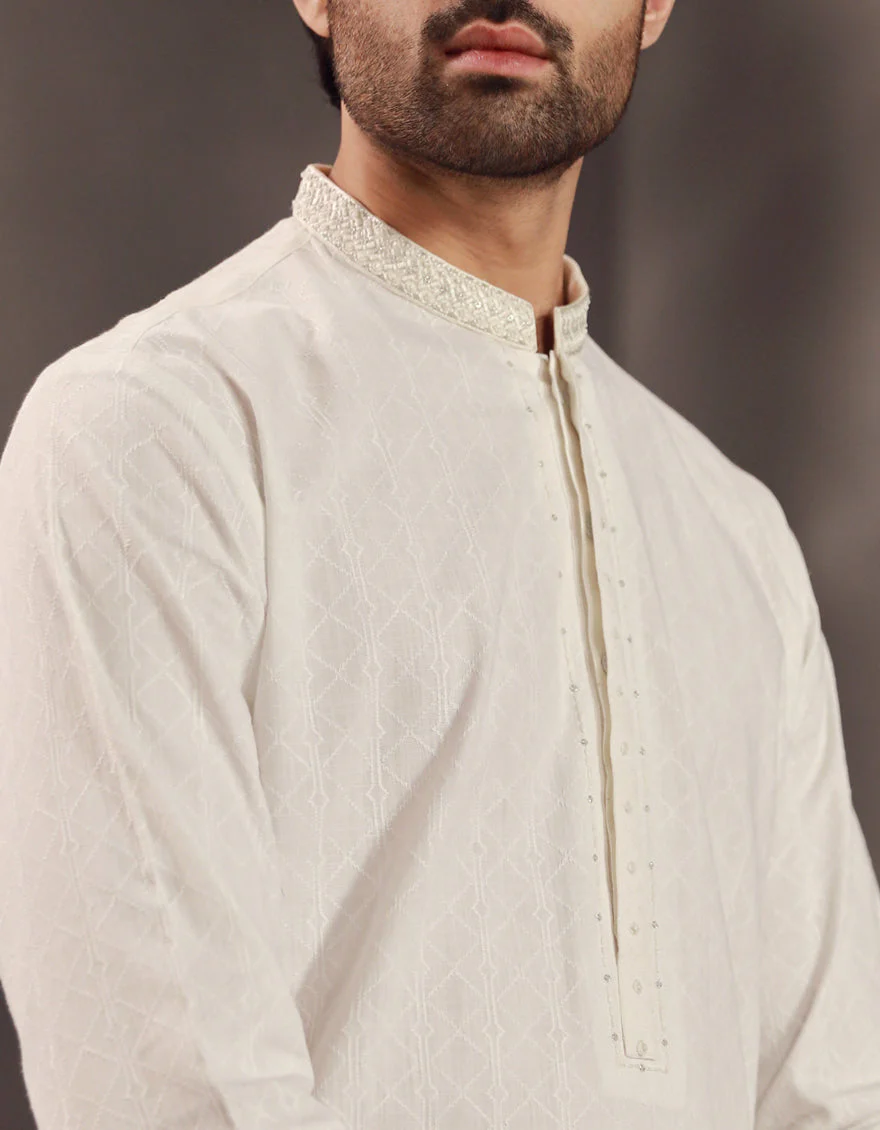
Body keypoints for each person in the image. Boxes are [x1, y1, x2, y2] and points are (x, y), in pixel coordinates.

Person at [0, 0, 878, 1126]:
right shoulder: (155, 433)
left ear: (656, 5)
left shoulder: (734, 533)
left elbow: (831, 1086)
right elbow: (173, 1085)